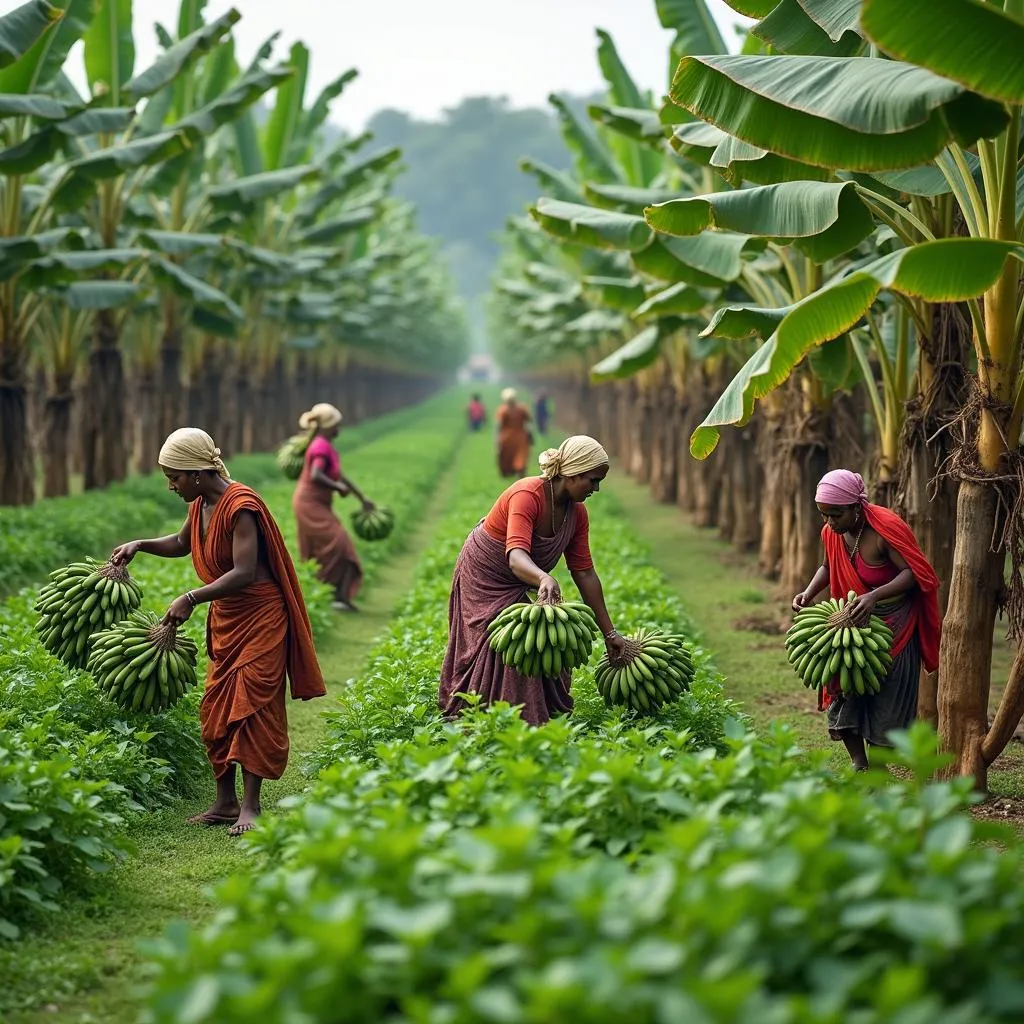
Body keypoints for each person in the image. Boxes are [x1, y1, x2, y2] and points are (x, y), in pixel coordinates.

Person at [111, 428, 326, 835]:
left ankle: (250, 807)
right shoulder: (201, 504)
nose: (171, 485)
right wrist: (139, 543)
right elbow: (181, 542)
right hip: (228, 619)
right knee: (216, 708)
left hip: (261, 617)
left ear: (196, 473)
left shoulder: (241, 505)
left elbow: (244, 572)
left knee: (252, 706)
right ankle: (225, 803)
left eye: (174, 476)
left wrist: (191, 598)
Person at [439, 435, 628, 726]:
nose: (596, 488)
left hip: (521, 576)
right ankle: (478, 716)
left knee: (541, 645)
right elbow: (516, 556)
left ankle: (537, 717)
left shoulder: (577, 514)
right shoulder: (528, 494)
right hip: (485, 571)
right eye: (592, 480)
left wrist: (609, 633)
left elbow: (584, 572)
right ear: (573, 473)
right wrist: (543, 576)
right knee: (501, 643)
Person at [792, 469, 942, 771]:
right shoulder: (830, 532)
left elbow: (914, 574)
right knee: (846, 690)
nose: (830, 522)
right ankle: (858, 761)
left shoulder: (886, 529)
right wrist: (808, 593)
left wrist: (874, 596)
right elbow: (827, 565)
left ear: (856, 508)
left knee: (888, 698)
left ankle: (877, 766)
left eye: (836, 514)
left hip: (895, 624)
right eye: (824, 515)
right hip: (851, 618)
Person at [291, 403, 375, 612]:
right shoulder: (320, 446)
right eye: (336, 424)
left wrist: (361, 497)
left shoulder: (326, 445)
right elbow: (316, 475)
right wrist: (337, 487)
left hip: (317, 502)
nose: (340, 428)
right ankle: (337, 596)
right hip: (309, 503)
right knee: (341, 543)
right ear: (327, 426)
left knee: (331, 547)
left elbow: (339, 475)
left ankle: (337, 596)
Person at [495, 387, 532, 478]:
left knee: (507, 456)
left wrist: (497, 438)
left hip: (507, 437)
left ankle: (510, 472)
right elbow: (529, 420)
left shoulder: (503, 410)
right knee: (521, 456)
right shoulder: (522, 408)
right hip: (521, 436)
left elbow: (499, 425)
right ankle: (520, 472)